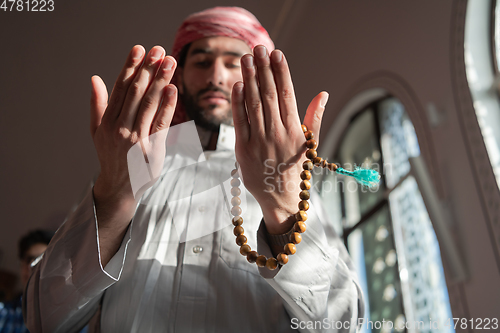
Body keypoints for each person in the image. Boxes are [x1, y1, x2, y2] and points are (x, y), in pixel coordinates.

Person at [24, 7, 364, 332]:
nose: (216, 75)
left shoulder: (292, 179)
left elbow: (344, 323)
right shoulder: (131, 164)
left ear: (259, 81)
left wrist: (284, 207)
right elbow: (43, 318)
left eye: (235, 64)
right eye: (202, 61)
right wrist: (115, 194)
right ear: (181, 78)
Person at [0, 230, 52, 333]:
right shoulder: (4, 312)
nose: (33, 267)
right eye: (29, 259)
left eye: (42, 260)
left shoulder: (69, 316)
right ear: (21, 265)